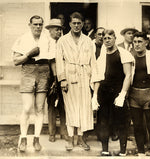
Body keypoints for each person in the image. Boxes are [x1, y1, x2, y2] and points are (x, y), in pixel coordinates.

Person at [55, 12, 97, 151]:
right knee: (71, 107)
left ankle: (81, 138)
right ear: (69, 24)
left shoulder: (88, 41)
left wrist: (93, 80)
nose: (77, 26)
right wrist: (62, 79)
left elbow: (93, 61)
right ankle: (70, 139)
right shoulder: (62, 40)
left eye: (79, 23)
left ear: (83, 24)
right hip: (69, 75)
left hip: (85, 76)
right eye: (74, 23)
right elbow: (59, 61)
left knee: (84, 108)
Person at [93, 29, 134, 156]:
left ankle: (122, 151)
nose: (107, 40)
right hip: (104, 92)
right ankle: (105, 150)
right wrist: (95, 95)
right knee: (103, 121)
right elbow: (97, 77)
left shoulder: (123, 54)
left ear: (115, 38)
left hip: (118, 92)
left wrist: (122, 94)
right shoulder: (102, 56)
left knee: (121, 121)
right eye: (104, 38)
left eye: (109, 37)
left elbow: (128, 75)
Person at [12, 15, 50, 152]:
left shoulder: (47, 39)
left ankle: (36, 139)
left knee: (40, 108)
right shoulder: (22, 39)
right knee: (27, 107)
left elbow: (51, 59)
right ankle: (23, 138)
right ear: (30, 25)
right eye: (35, 24)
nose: (38, 27)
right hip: (28, 70)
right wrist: (29, 54)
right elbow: (15, 61)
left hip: (44, 71)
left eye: (40, 24)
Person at [45, 19, 67, 142]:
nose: (59, 31)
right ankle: (52, 133)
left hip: (63, 77)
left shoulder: (63, 43)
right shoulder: (48, 43)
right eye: (56, 29)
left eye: (60, 29)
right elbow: (51, 60)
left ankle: (63, 132)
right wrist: (54, 79)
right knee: (52, 106)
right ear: (50, 30)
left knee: (63, 105)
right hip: (51, 78)